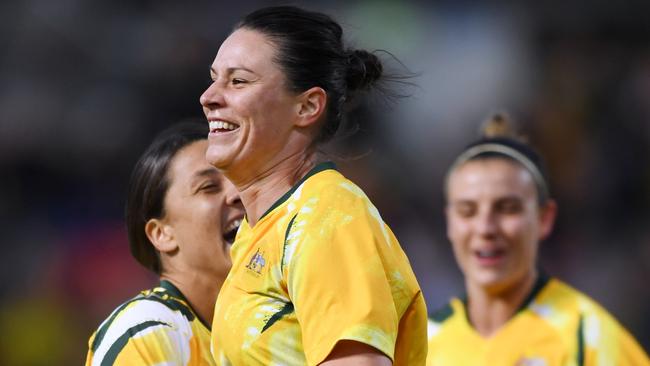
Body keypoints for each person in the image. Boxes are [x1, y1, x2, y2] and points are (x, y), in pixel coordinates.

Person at [199, 6, 427, 366]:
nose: (209, 97)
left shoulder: (328, 217)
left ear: (307, 107)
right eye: (214, 78)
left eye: (238, 81)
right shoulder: (257, 232)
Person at [427, 113, 650, 365]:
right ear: (449, 221)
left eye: (507, 208)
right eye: (467, 211)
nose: (485, 227)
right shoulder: (423, 342)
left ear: (544, 218)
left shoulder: (589, 338)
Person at [85, 121, 245, 365]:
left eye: (241, 180)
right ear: (163, 234)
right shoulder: (148, 331)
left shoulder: (268, 328)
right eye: (209, 186)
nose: (238, 194)